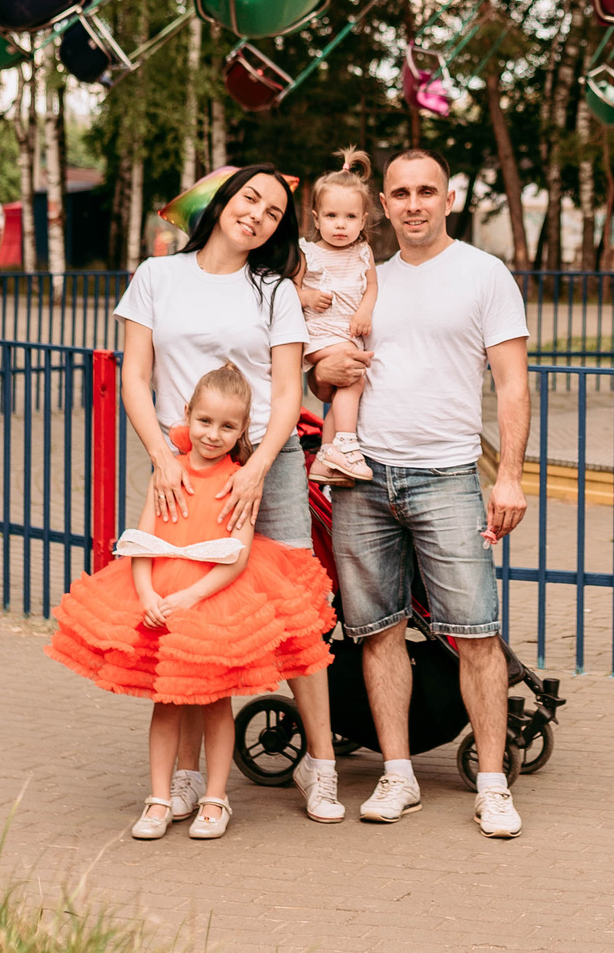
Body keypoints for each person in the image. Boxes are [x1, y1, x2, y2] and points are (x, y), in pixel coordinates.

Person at [109, 164, 348, 824]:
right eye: (251, 198)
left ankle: (320, 764)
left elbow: (284, 391)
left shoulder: (274, 289)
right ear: (221, 200)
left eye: (274, 211)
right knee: (190, 614)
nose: (259, 215)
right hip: (183, 466)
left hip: (263, 467)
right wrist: (161, 455)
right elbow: (136, 377)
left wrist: (260, 466)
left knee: (297, 609)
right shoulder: (158, 276)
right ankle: (185, 775)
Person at [312, 146, 531, 839]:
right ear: (385, 205)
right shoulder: (366, 275)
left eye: (426, 191)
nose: (412, 204)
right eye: (400, 192)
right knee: (376, 632)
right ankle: (398, 772)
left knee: (476, 633)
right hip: (364, 475)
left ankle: (492, 785)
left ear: (448, 198)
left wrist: (510, 474)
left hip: (447, 475)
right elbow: (326, 372)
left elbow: (514, 382)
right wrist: (327, 370)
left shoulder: (483, 275)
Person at [47, 365, 334, 840]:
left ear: (244, 429)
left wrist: (191, 596)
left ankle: (215, 799)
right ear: (188, 415)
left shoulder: (240, 480)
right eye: (205, 422)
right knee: (167, 703)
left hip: (209, 597)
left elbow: (238, 557)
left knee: (215, 702)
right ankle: (159, 798)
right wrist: (148, 596)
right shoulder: (169, 472)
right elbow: (142, 541)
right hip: (159, 593)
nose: (213, 434)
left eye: (227, 426)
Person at [300, 149, 383, 485]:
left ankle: (324, 459)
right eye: (332, 216)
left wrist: (364, 310)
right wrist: (306, 295)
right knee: (354, 378)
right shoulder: (307, 251)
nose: (340, 224)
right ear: (316, 218)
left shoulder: (363, 252)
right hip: (319, 333)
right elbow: (286, 290)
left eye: (350, 217)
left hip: (348, 333)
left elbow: (372, 287)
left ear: (363, 220)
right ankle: (346, 444)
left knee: (344, 390)